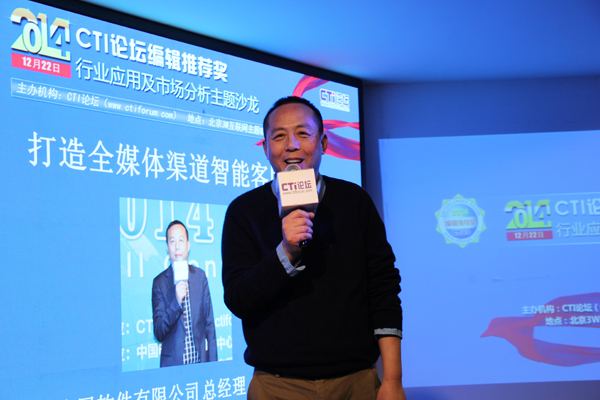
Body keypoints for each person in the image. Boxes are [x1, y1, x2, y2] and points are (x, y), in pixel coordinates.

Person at [222, 96, 405, 399]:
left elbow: (383, 287)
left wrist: (393, 379)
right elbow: (238, 299)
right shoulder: (243, 211)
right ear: (265, 148)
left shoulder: (354, 201)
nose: (291, 145)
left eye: (303, 133)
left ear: (323, 143)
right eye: (279, 136)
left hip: (355, 381)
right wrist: (286, 252)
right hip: (277, 386)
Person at [152, 220, 217, 367]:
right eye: (172, 241)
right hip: (173, 368)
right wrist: (176, 302)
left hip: (200, 365)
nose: (177, 246)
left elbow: (210, 326)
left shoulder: (200, 277)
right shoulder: (159, 283)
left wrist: (213, 366)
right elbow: (159, 332)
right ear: (167, 247)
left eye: (181, 240)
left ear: (188, 245)